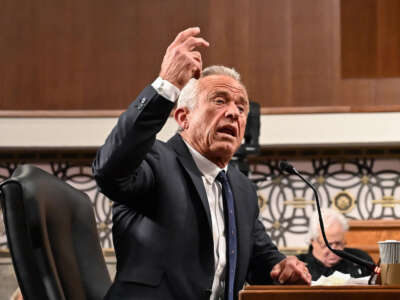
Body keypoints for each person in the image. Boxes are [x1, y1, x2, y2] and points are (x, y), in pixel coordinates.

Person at [93, 27, 311, 300]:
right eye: (219, 101)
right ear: (183, 118)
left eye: (241, 108)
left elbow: (261, 257)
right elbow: (109, 171)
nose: (233, 113)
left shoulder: (241, 188)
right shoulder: (154, 161)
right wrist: (166, 84)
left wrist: (281, 265)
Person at [297, 208, 374, 281]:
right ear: (313, 241)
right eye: (328, 244)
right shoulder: (298, 266)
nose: (334, 250)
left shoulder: (360, 259)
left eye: (338, 243)